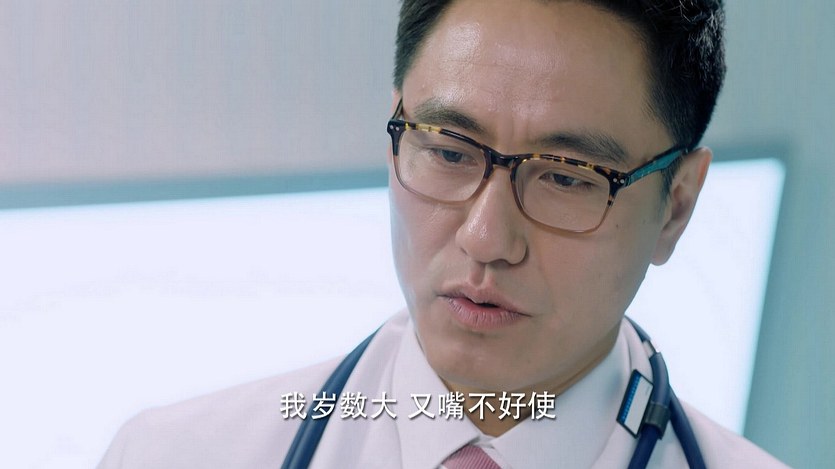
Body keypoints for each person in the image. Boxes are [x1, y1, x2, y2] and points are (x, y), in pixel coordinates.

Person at [98, 0, 790, 467]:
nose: (486, 238)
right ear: (395, 136)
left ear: (676, 206)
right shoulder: (172, 454)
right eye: (449, 151)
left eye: (567, 176)